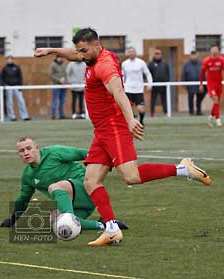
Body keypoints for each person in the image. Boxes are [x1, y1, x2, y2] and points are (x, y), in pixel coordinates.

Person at [35, 28, 211, 246]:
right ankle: (111, 229)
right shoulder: (90, 56)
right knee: (91, 181)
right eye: (78, 51)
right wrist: (52, 50)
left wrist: (129, 120)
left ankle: (183, 169)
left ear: (96, 45)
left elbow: (118, 92)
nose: (79, 55)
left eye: (83, 51)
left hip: (114, 126)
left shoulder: (105, 65)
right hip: (101, 130)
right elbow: (74, 54)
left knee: (131, 177)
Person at [0, 137, 128, 231]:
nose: (26, 153)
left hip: (86, 188)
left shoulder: (54, 152)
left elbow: (82, 153)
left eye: (29, 148)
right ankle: (104, 225)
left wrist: (110, 161)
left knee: (54, 187)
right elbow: (23, 199)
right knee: (55, 223)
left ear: (37, 148)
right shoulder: (28, 176)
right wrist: (13, 219)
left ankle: (69, 218)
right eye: (22, 151)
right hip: (78, 204)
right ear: (19, 154)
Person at [122, 47, 152, 126]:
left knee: (140, 109)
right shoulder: (124, 63)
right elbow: (122, 76)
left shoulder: (141, 63)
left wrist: (150, 84)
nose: (131, 53)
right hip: (128, 89)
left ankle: (141, 121)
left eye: (133, 52)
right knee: (128, 109)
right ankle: (129, 123)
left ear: (135, 53)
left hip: (138, 89)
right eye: (130, 52)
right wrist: (121, 85)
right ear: (128, 53)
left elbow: (148, 74)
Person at [199, 45, 224, 127]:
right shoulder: (207, 61)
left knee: (217, 102)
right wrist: (201, 84)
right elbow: (202, 73)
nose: (214, 51)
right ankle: (218, 120)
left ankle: (210, 118)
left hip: (219, 84)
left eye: (216, 49)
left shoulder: (221, 60)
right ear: (210, 51)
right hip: (211, 84)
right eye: (213, 49)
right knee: (215, 99)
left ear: (218, 51)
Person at [1, 55, 30, 121]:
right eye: (8, 59)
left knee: (21, 101)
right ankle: (12, 116)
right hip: (8, 87)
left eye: (11, 59)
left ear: (13, 60)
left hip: (16, 86)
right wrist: (4, 85)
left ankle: (24, 116)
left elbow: (20, 77)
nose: (9, 60)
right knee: (10, 102)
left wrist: (20, 86)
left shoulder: (17, 67)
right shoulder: (5, 68)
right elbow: (2, 78)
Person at [181, 50, 206, 116]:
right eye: (192, 55)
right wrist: (183, 82)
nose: (194, 57)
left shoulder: (201, 63)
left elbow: (204, 72)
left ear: (197, 56)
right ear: (190, 56)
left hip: (200, 84)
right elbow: (183, 74)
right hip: (190, 84)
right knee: (190, 98)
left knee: (199, 98)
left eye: (195, 55)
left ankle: (199, 111)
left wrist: (205, 83)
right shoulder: (186, 64)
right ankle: (191, 112)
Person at [148, 48, 170, 117]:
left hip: (163, 85)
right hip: (154, 86)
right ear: (154, 55)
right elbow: (148, 74)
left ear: (161, 54)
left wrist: (167, 81)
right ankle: (152, 113)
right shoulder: (151, 64)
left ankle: (166, 112)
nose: (157, 55)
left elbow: (168, 73)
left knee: (164, 100)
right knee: (153, 100)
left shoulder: (165, 64)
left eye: (159, 54)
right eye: (156, 54)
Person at [49, 55, 67, 119]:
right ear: (56, 58)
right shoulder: (53, 65)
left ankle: (61, 115)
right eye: (59, 57)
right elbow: (51, 75)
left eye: (62, 57)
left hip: (63, 86)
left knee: (62, 100)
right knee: (55, 101)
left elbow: (66, 74)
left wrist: (65, 80)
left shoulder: (64, 65)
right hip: (56, 85)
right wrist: (59, 80)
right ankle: (53, 115)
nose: (61, 59)